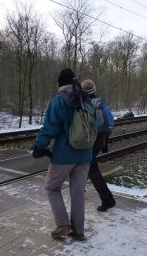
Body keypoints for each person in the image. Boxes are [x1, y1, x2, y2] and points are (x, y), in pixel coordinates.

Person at [32, 68, 93, 241]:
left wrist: (39, 146)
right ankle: (79, 231)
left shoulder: (58, 101)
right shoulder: (86, 100)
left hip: (64, 156)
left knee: (52, 187)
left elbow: (50, 128)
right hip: (85, 155)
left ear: (60, 84)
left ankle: (63, 224)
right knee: (78, 193)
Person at [81, 79, 116, 212]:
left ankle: (108, 200)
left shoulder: (84, 104)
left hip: (89, 142)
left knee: (91, 169)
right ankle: (80, 191)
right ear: (94, 90)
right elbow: (108, 124)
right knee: (84, 166)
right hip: (100, 141)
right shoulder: (101, 102)